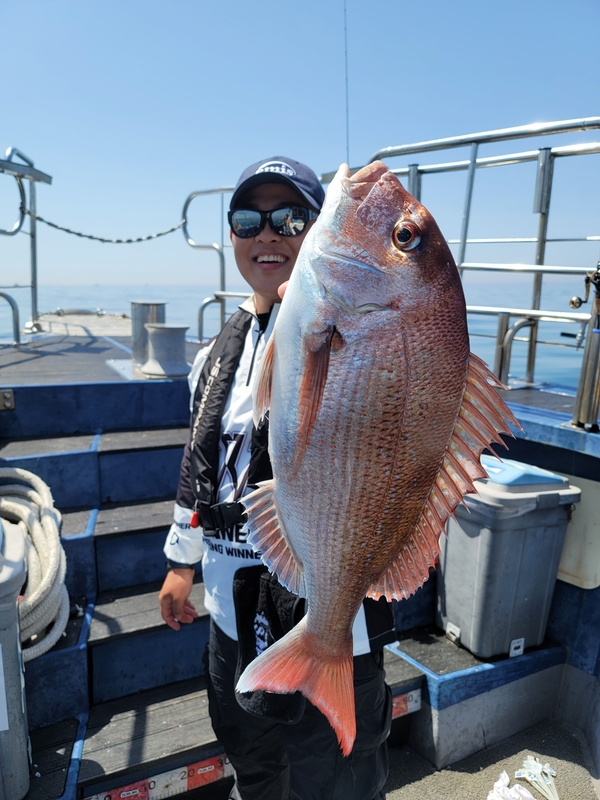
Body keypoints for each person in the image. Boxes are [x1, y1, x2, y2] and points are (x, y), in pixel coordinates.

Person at [159, 156, 395, 800]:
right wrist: (181, 560)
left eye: (291, 219)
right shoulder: (215, 355)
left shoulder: (352, 335)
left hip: (330, 615)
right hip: (231, 618)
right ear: (232, 236)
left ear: (322, 234)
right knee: (254, 765)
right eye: (248, 219)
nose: (268, 233)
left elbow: (403, 428)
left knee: (338, 781)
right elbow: (201, 462)